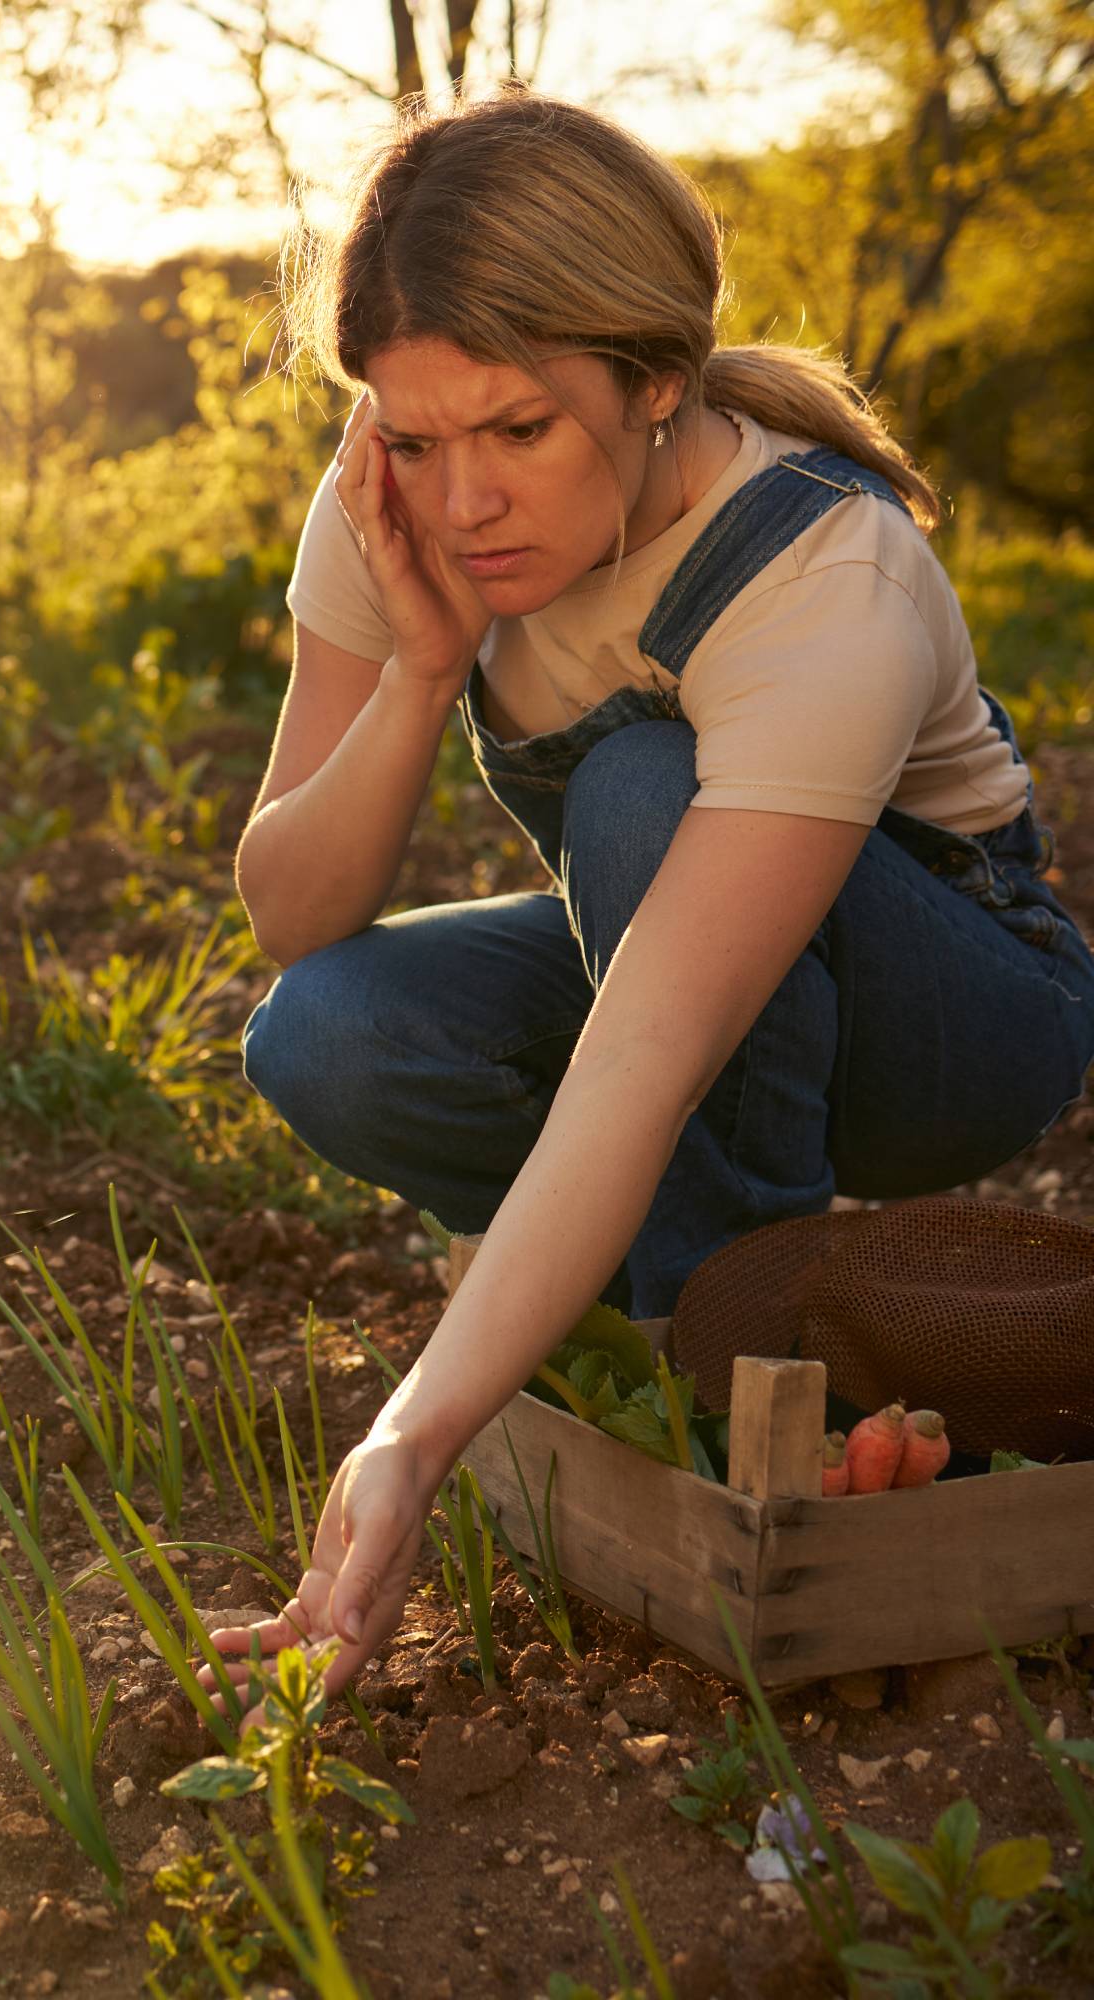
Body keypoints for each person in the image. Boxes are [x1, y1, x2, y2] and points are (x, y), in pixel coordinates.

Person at [211, 87, 1094, 1708]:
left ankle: (743, 1386)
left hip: (965, 1016)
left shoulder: (821, 575)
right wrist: (418, 675)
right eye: (415, 437)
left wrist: (414, 1430)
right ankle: (676, 1294)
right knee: (325, 1034)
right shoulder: (403, 505)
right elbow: (290, 904)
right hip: (677, 955)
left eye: (520, 432)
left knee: (635, 785)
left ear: (657, 381)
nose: (462, 500)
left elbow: (643, 1055)